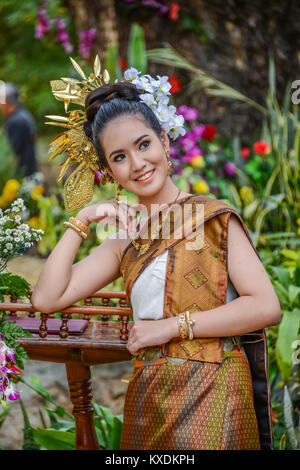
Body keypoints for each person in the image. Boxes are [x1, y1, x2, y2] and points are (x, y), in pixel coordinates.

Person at [31, 68, 281, 450]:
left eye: (143, 144)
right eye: (119, 157)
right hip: (150, 401)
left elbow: (265, 306)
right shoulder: (123, 242)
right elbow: (46, 299)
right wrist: (82, 220)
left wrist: (170, 328)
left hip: (217, 396)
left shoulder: (212, 218)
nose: (137, 163)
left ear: (164, 140)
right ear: (109, 171)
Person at [0, 83, 38, 177]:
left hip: (22, 178)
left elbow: (9, 152)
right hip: (29, 173)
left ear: (6, 101)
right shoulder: (22, 115)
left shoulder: (17, 121)